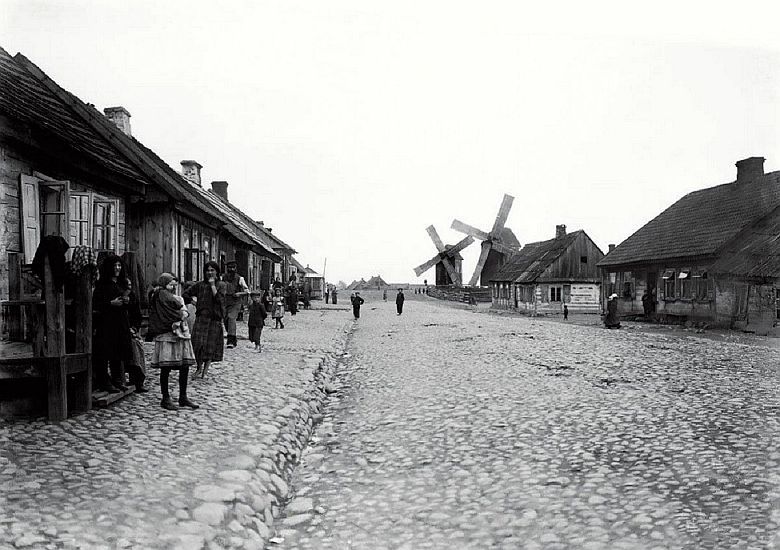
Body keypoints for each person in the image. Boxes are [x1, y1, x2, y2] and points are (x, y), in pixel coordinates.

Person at [148, 273, 198, 410]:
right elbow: (173, 308)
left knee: (184, 365)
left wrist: (183, 313)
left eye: (175, 285)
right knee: (166, 367)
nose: (173, 287)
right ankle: (165, 398)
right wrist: (180, 314)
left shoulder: (175, 296)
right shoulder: (160, 295)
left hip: (179, 333)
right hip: (166, 333)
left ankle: (183, 396)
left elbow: (182, 309)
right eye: (171, 284)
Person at [92, 255, 134, 393]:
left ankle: (117, 380)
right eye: (115, 266)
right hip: (106, 322)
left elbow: (131, 304)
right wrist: (111, 303)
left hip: (120, 321)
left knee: (118, 352)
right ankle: (104, 382)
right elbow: (96, 304)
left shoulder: (122, 284)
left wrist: (127, 301)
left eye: (119, 266)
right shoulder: (102, 285)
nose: (117, 268)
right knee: (104, 353)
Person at [183, 261, 226, 379]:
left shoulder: (221, 285)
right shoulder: (200, 285)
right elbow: (186, 294)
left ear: (217, 272)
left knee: (210, 346)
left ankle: (205, 371)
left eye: (212, 270)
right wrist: (192, 302)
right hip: (202, 318)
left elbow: (219, 300)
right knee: (198, 344)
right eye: (208, 270)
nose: (210, 272)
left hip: (214, 319)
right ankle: (198, 367)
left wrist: (213, 286)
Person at [125, 279, 148, 392]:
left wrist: (134, 329)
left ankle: (139, 380)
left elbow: (137, 316)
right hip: (121, 332)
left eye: (130, 285)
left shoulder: (133, 298)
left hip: (131, 331)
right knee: (134, 350)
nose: (129, 288)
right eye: (126, 285)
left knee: (138, 350)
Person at [222, 260, 249, 349]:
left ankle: (231, 340)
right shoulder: (223, 278)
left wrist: (239, 294)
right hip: (225, 301)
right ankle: (233, 337)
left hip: (235, 302)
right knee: (226, 320)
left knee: (231, 318)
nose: (231, 269)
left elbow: (247, 291)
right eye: (229, 268)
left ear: (235, 268)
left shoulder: (240, 279)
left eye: (233, 268)